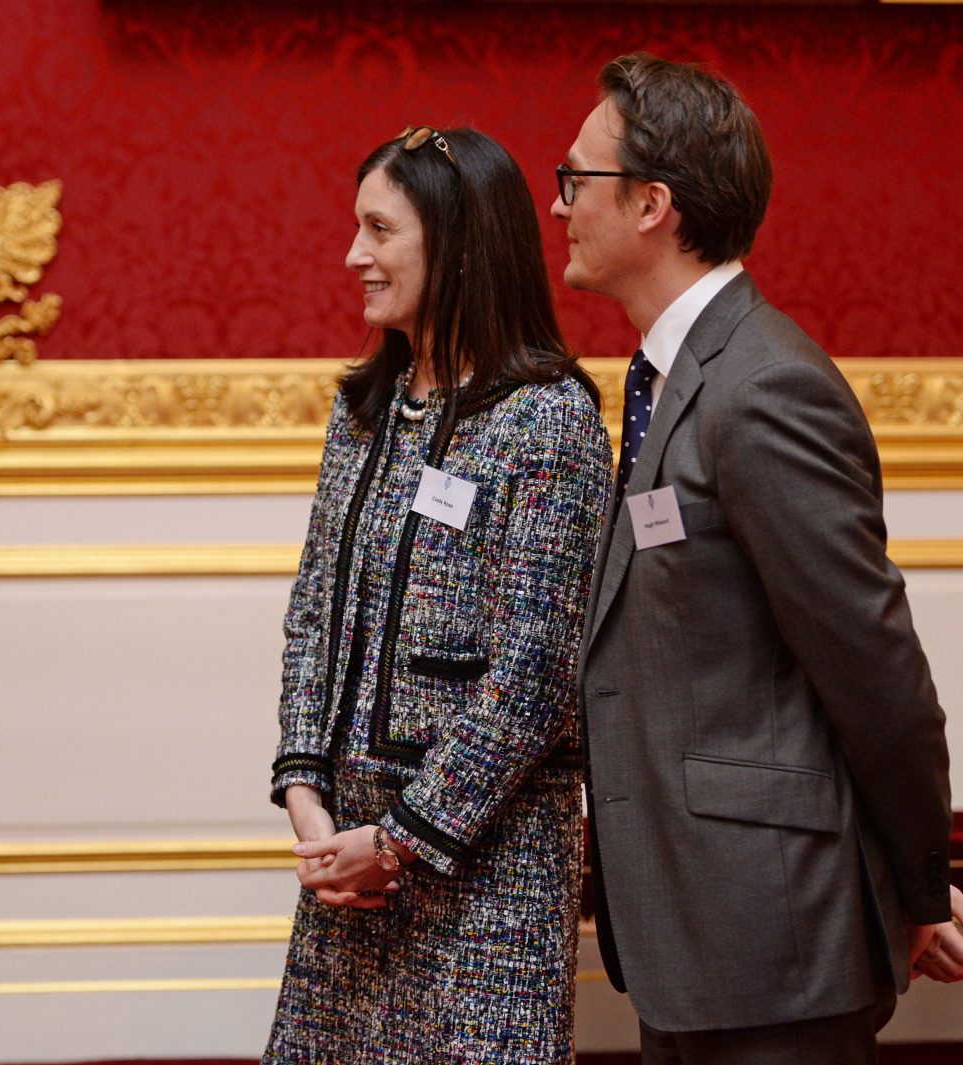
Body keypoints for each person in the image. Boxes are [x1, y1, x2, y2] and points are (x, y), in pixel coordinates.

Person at [555, 53, 963, 1064]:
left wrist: (915, 885)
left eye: (576, 179)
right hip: (699, 936)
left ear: (651, 206)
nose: (557, 204)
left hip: (770, 937)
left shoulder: (762, 388)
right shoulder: (673, 379)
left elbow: (873, 666)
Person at [264, 126, 612, 1063]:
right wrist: (308, 799)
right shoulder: (365, 409)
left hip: (482, 869)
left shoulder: (549, 419)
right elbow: (313, 613)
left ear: (456, 242)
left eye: (379, 229)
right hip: (348, 865)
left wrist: (404, 837)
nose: (354, 255)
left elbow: (536, 675)